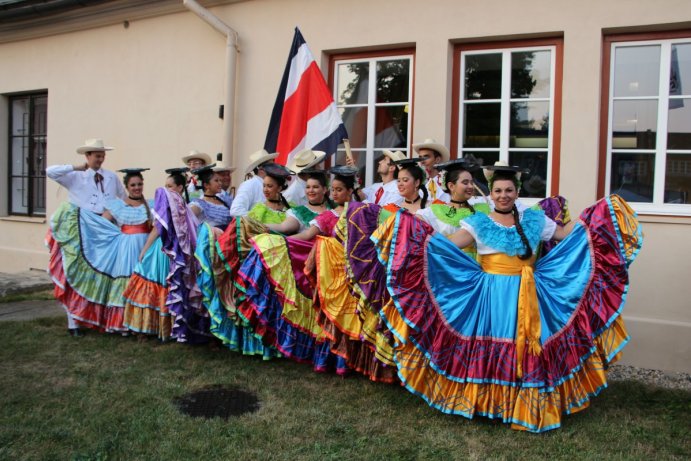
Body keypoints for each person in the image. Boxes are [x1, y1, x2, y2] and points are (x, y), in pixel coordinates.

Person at [372, 162, 643, 432]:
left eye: (509, 190)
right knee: (492, 346)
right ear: (491, 193)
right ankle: (488, 404)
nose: (503, 195)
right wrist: (411, 231)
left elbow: (562, 234)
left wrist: (593, 217)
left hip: (529, 293)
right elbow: (447, 245)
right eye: (498, 190)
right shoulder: (478, 221)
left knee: (525, 347)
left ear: (517, 192)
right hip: (490, 294)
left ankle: (522, 403)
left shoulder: (535, 219)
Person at [46, 138, 126, 336]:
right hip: (82, 228)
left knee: (102, 273)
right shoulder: (75, 175)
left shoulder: (110, 177)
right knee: (77, 271)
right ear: (87, 156)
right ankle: (74, 321)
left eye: (102, 155)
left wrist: (112, 211)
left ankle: (99, 317)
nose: (101, 159)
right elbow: (49, 172)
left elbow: (123, 198)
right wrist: (77, 167)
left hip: (105, 228)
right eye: (97, 155)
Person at [123, 168, 188, 341]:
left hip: (176, 250)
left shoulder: (184, 205)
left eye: (170, 186)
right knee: (154, 286)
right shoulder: (166, 205)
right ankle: (144, 328)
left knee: (171, 288)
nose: (166, 189)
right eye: (165, 186)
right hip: (162, 250)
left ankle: (170, 329)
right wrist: (145, 250)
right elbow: (157, 229)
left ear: (180, 187)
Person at [229, 149, 277, 217]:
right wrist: (260, 219)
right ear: (261, 169)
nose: (275, 168)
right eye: (271, 166)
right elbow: (236, 210)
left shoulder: (274, 184)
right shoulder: (249, 185)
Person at [188, 164, 233, 231]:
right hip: (211, 240)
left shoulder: (224, 199)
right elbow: (186, 218)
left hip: (227, 239)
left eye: (220, 180)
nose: (220, 183)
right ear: (206, 185)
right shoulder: (199, 204)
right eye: (216, 181)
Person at [413, 138, 450, 203]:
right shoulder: (421, 184)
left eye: (426, 157)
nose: (422, 161)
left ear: (437, 160)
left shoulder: (448, 181)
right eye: (420, 158)